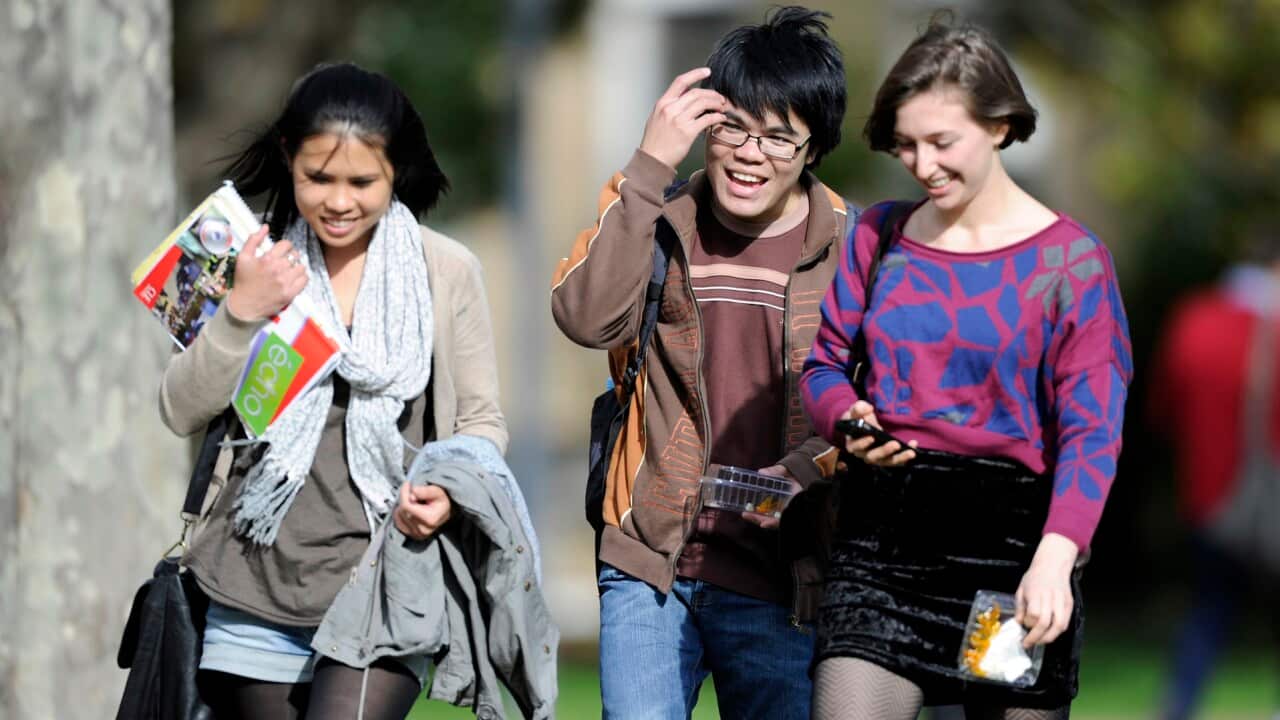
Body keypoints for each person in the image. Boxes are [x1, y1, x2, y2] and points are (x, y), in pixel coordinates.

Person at [159, 63, 520, 720]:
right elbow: (179, 408)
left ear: (396, 173)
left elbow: (480, 419)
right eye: (318, 178)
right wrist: (241, 311)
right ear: (288, 160)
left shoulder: (445, 269)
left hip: (387, 576)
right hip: (252, 580)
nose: (339, 201)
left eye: (362, 182)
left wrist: (448, 490)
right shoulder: (249, 259)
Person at [799, 16, 1132, 719]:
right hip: (883, 549)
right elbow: (823, 366)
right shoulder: (877, 237)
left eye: (942, 142)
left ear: (1000, 126)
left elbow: (1093, 431)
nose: (922, 164)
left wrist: (1056, 556)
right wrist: (844, 417)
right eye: (906, 144)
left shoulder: (1072, 264)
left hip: (1014, 556)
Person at [550, 7, 851, 718]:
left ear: (812, 148)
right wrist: (649, 165)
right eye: (731, 128)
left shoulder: (851, 249)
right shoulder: (656, 217)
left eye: (777, 137)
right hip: (650, 560)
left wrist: (807, 469)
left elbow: (875, 404)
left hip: (784, 576)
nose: (749, 154)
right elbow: (585, 318)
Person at [1149, 228, 1280, 720]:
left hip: (1207, 498)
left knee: (1208, 611)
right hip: (1267, 495)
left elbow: (1162, 410)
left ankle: (1177, 709)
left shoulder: (1195, 319)